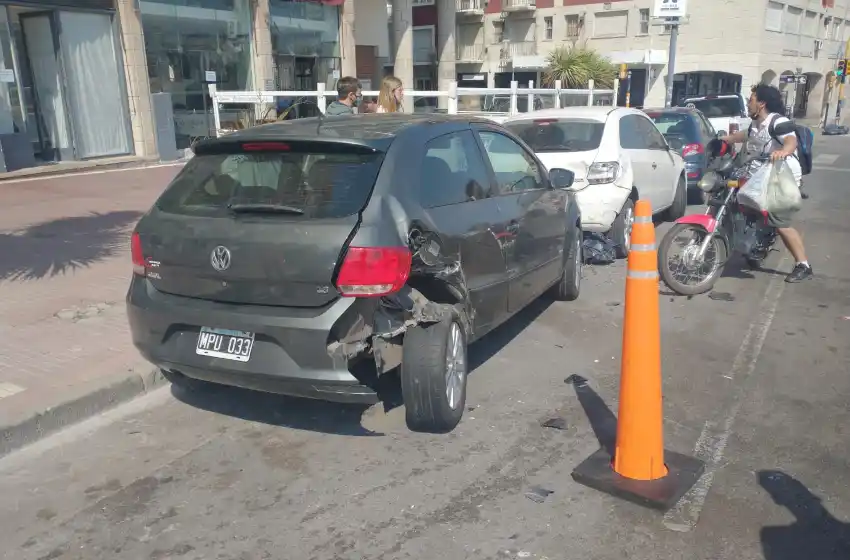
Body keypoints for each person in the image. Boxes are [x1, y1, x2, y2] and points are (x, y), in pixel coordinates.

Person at [721, 84, 813, 283]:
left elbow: (790, 140)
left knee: (781, 223)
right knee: (739, 201)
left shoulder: (778, 122)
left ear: (761, 103)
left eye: (751, 98)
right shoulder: (756, 123)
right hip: (764, 175)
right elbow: (747, 135)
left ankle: (803, 264)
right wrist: (726, 139)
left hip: (783, 178)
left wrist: (783, 151)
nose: (748, 102)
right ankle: (757, 244)